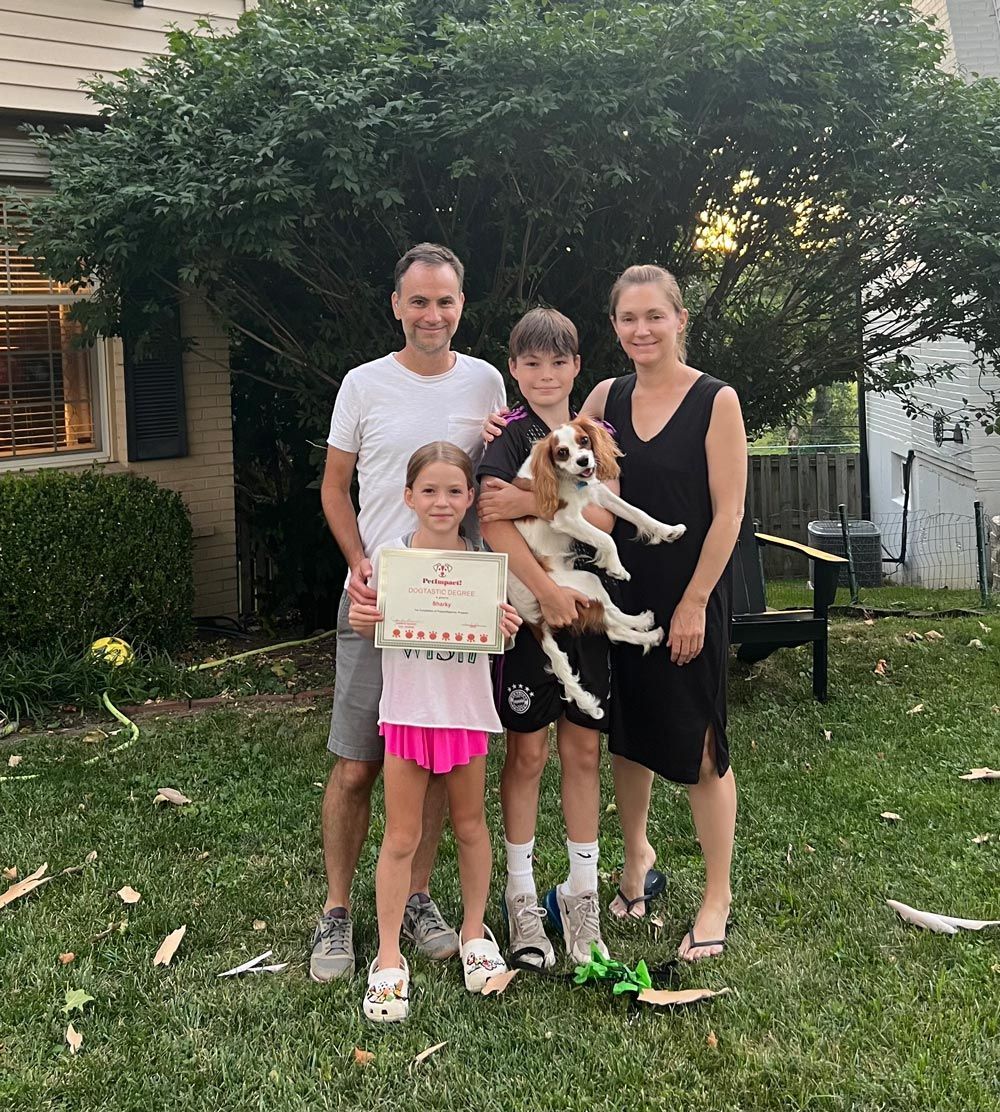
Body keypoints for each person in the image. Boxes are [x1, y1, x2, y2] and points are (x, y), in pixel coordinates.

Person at [312, 244, 506, 983]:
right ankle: (336, 910)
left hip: (454, 605)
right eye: (419, 301)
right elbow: (335, 488)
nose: (433, 314)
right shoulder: (364, 384)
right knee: (359, 765)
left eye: (446, 301)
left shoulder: (488, 381)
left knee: (432, 761)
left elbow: (501, 482)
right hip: (376, 597)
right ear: (396, 305)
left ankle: (420, 897)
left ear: (462, 306)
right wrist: (359, 560)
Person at [581, 264, 747, 961]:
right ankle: (637, 859)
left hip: (690, 595)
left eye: (655, 315)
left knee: (703, 743)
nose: (641, 329)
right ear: (615, 325)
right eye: (628, 318)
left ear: (682, 319)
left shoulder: (716, 400)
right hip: (623, 596)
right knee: (629, 733)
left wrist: (696, 602)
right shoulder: (604, 396)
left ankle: (717, 895)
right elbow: (581, 488)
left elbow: (730, 510)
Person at [348, 442, 521, 1022]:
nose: (441, 502)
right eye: (429, 491)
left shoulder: (482, 561)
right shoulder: (389, 558)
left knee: (471, 827)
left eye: (454, 491)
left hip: (465, 712)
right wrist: (361, 615)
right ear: (407, 497)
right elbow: (368, 618)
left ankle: (475, 935)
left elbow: (499, 635)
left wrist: (506, 626)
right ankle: (390, 956)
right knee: (401, 837)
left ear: (470, 498)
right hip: (408, 713)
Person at [476, 308, 616, 967]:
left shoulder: (594, 431)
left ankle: (582, 901)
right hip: (532, 612)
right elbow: (491, 520)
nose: (544, 374)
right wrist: (547, 589)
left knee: (584, 753)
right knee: (528, 756)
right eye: (531, 362)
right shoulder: (504, 437)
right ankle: (522, 897)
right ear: (513, 367)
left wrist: (531, 499)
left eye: (557, 361)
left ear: (577, 366)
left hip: (589, 612)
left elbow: (608, 507)